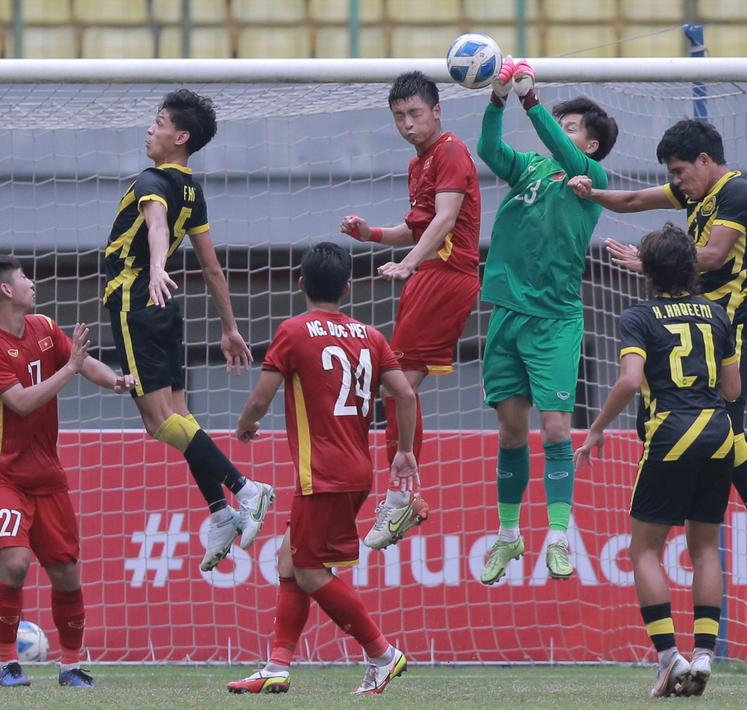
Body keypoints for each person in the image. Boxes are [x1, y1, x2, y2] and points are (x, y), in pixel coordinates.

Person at [568, 118, 747, 597]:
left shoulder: (738, 193)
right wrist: (592, 194)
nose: (676, 182)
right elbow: (634, 200)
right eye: (671, 174)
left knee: (723, 433)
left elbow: (713, 256)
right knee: (649, 424)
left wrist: (650, 262)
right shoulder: (695, 191)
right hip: (685, 320)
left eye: (679, 171)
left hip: (724, 327)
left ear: (705, 161)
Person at [226, 243, 417, 695]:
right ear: (347, 289)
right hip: (357, 469)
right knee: (289, 558)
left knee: (310, 572)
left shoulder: (293, 331)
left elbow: (261, 397)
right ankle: (277, 665)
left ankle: (382, 654)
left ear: (300, 284)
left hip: (322, 474)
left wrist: (245, 424)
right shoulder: (371, 336)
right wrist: (405, 452)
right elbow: (406, 395)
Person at [102, 89, 273, 572]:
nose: (149, 129)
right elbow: (212, 267)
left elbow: (156, 225)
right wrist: (229, 327)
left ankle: (246, 489)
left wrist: (157, 266)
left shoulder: (151, 180)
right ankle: (220, 512)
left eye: (158, 123)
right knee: (181, 417)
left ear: (180, 137)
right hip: (164, 306)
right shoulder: (193, 192)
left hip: (135, 299)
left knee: (159, 423)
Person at [575, 224, 741, 698]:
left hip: (672, 433)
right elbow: (732, 389)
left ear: (646, 270)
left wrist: (597, 427)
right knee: (705, 547)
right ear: (692, 267)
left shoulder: (638, 317)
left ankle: (669, 657)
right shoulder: (716, 314)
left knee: (645, 550)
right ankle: (704, 653)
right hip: (718, 434)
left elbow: (630, 381)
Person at [474, 58, 619, 584]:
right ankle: (508, 534)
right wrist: (497, 100)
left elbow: (559, 145)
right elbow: (489, 150)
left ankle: (558, 537)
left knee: (555, 427)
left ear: (591, 145)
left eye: (571, 126)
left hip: (555, 320)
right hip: (508, 312)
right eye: (560, 123)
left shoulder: (592, 180)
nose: (560, 131)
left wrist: (531, 101)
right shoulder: (532, 168)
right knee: (510, 431)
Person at [0, 255, 136, 688]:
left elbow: (82, 360)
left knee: (65, 572)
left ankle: (70, 666)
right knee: (16, 562)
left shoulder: (43, 326)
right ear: (6, 290)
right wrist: (71, 368)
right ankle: (8, 663)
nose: (31, 282)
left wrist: (114, 380)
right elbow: (22, 402)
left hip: (47, 475)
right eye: (23, 277)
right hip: (1, 474)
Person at [339, 71, 481, 548]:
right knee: (397, 388)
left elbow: (445, 219)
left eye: (415, 113)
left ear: (436, 111)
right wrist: (371, 235)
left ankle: (401, 496)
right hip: (430, 275)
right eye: (399, 116)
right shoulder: (419, 162)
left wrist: (409, 263)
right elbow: (417, 227)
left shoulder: (451, 152)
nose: (407, 123)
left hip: (445, 276)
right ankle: (403, 495)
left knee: (395, 385)